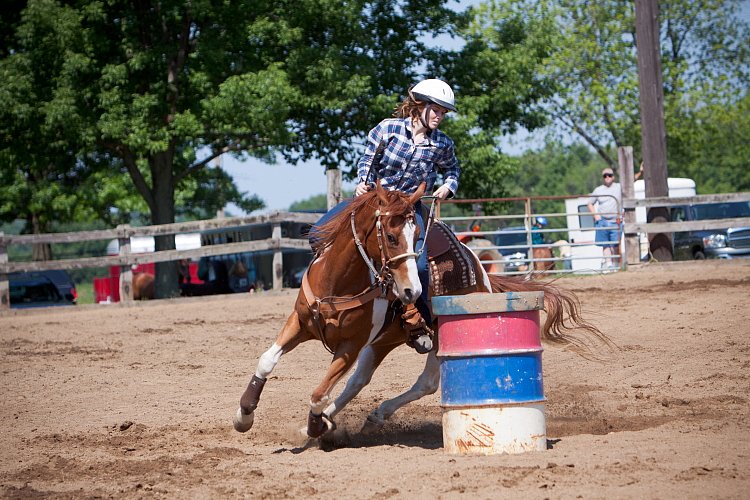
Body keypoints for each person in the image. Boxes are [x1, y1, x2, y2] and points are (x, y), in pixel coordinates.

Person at [311, 78, 460, 354]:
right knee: (318, 232)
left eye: (443, 112)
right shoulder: (387, 129)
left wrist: (446, 188)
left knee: (422, 267)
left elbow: (453, 171)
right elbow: (367, 160)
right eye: (436, 109)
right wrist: (362, 182)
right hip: (376, 200)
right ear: (419, 106)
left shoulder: (443, 144)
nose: (440, 116)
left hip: (408, 208)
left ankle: (419, 323)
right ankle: (319, 294)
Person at [587, 167, 622, 270]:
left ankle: (616, 264)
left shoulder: (619, 187)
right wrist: (595, 215)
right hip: (602, 221)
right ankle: (609, 265)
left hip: (615, 220)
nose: (607, 177)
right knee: (605, 244)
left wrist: (641, 172)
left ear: (613, 177)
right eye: (605, 176)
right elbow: (589, 203)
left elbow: (631, 180)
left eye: (609, 175)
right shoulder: (598, 190)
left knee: (615, 244)